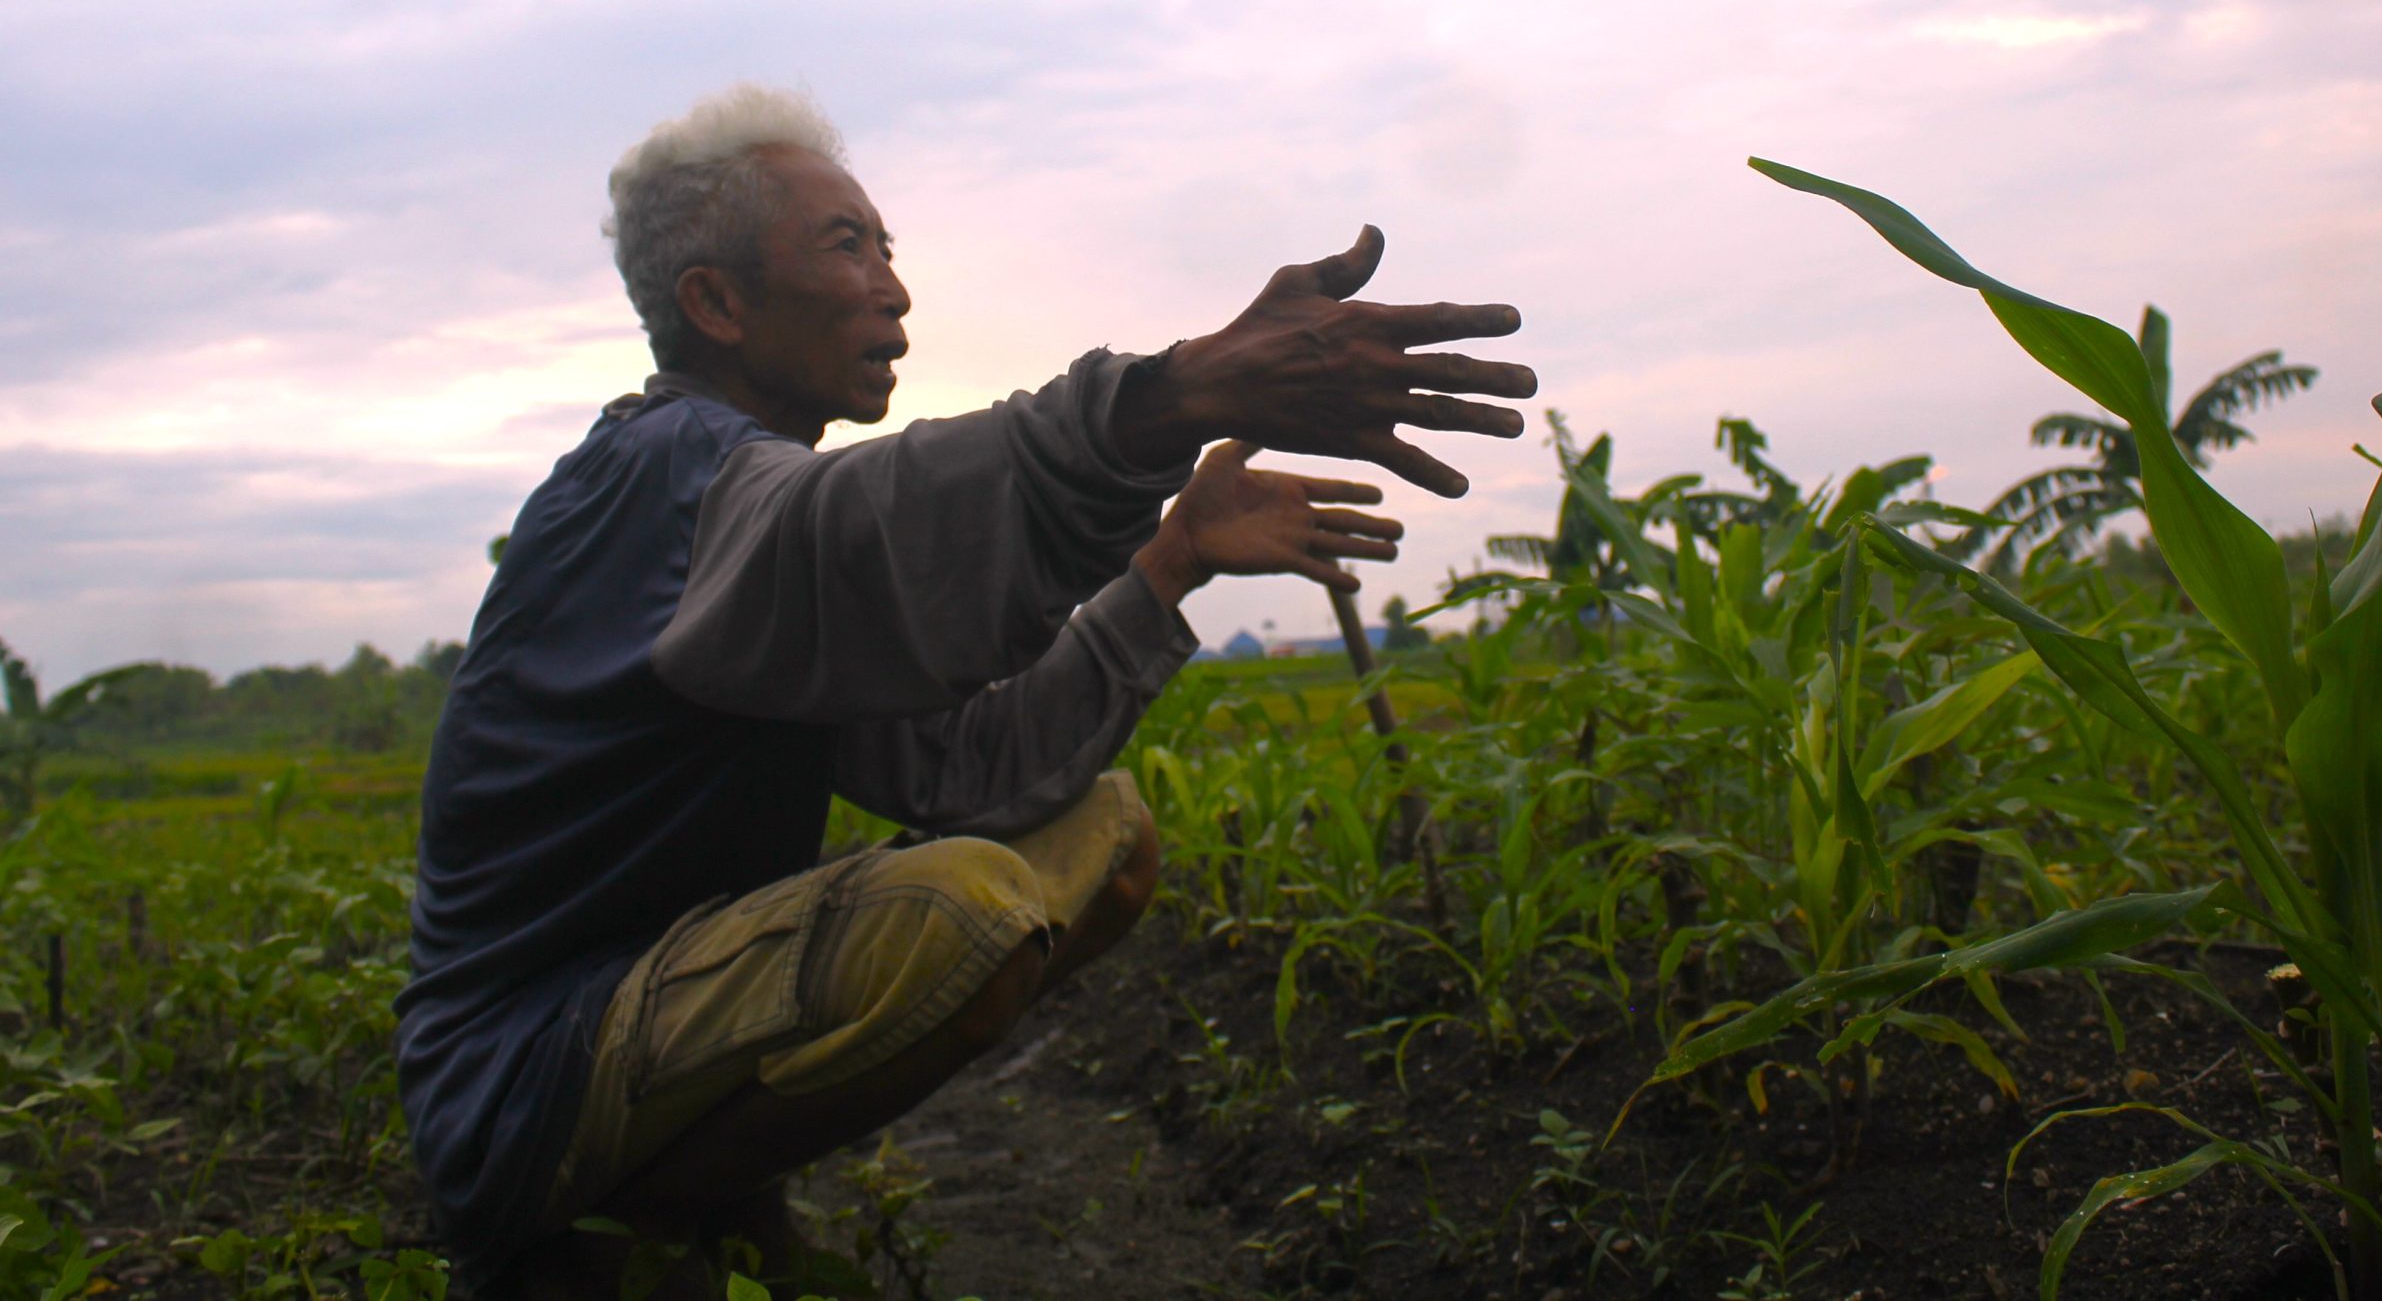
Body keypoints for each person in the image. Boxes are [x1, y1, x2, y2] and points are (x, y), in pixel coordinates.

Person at [391, 83, 1535, 1298]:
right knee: (967, 912)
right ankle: (609, 1234)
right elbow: (858, 527)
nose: (893, 288)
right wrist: (1169, 395)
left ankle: (701, 1204)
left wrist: (1172, 559)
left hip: (648, 1019)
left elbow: (971, 767)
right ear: (715, 303)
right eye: (847, 246)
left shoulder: (756, 549)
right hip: (524, 1072)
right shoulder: (659, 475)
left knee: (1105, 834)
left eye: (890, 249)